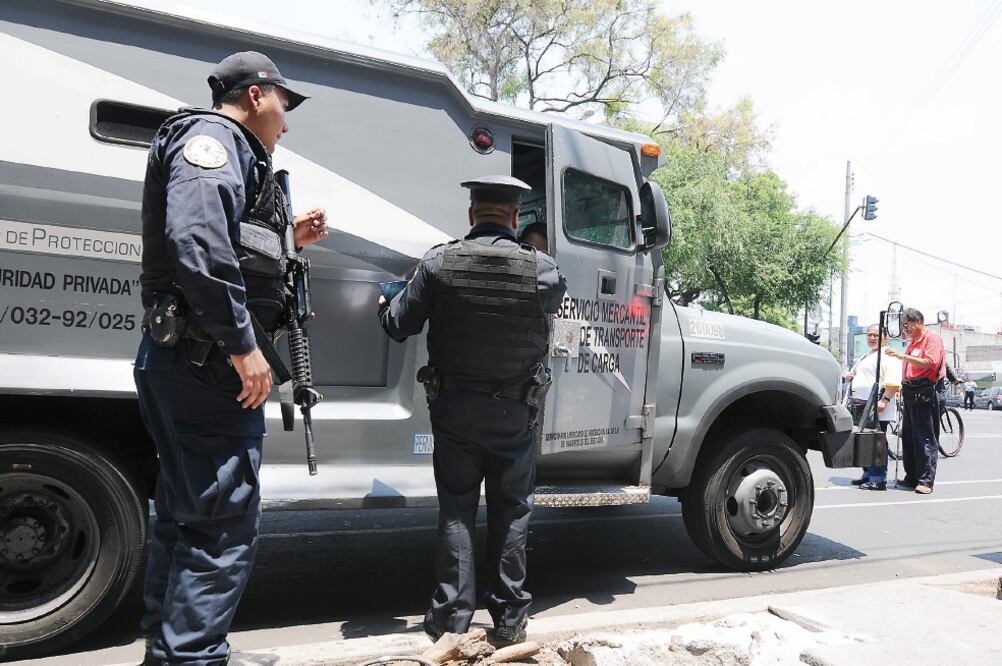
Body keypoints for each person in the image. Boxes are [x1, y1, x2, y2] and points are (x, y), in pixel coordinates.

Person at [135, 51, 328, 665]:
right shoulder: (214, 141)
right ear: (255, 94)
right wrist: (245, 347)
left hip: (189, 360)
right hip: (209, 363)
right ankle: (192, 657)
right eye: (284, 104)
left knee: (185, 514)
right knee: (220, 519)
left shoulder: (234, 154)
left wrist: (288, 239)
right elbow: (197, 243)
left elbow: (229, 240)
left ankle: (174, 651)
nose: (287, 120)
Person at [378, 176, 567, 644]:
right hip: (514, 414)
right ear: (515, 218)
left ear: (471, 215)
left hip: (455, 412)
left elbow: (398, 325)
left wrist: (390, 298)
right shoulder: (542, 269)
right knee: (512, 511)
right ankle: (508, 621)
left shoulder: (439, 262)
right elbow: (551, 306)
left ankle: (451, 620)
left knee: (458, 511)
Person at [884, 308, 945, 495]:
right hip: (911, 391)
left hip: (927, 391)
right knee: (909, 436)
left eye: (907, 324)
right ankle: (912, 476)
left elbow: (930, 362)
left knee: (924, 437)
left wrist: (901, 355)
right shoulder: (913, 342)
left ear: (917, 321)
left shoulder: (932, 338)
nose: (905, 329)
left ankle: (926, 480)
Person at [846, 324, 901, 490]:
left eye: (876, 335)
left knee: (877, 442)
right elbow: (856, 374)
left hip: (877, 405)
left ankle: (878, 478)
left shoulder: (888, 355)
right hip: (861, 405)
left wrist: (885, 399)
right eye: (869, 335)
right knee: (865, 442)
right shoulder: (866, 355)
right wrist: (851, 376)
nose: (872, 338)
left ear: (884, 337)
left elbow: (893, 380)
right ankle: (868, 473)